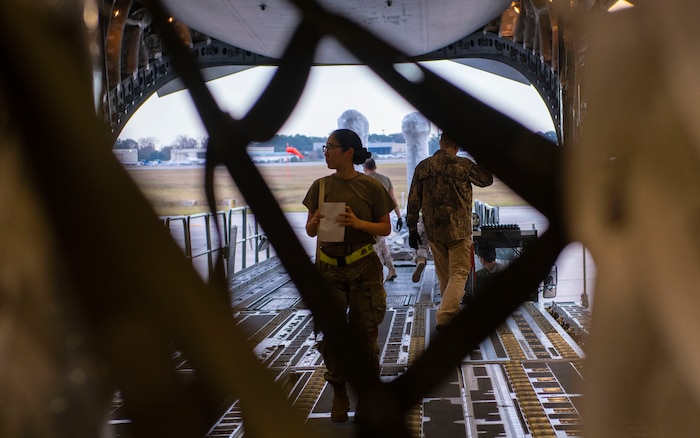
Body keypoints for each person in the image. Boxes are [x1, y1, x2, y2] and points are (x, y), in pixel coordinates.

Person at [303, 129, 394, 423]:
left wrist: (357, 223)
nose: (325, 152)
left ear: (349, 153)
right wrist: (315, 222)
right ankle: (339, 391)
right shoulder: (319, 187)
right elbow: (310, 231)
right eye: (325, 146)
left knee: (365, 334)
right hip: (328, 267)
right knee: (331, 334)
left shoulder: (370, 187)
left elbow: (385, 228)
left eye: (330, 147)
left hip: (363, 265)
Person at [406, 133, 493, 330]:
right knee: (459, 273)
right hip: (459, 229)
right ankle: (445, 317)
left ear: (440, 143)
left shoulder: (423, 166)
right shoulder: (462, 165)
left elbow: (413, 200)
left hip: (434, 232)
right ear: (457, 145)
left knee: (445, 275)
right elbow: (486, 179)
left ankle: (450, 313)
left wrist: (412, 228)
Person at [363, 157, 402, 281]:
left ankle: (378, 275)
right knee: (382, 244)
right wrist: (399, 216)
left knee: (375, 248)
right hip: (384, 216)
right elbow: (393, 199)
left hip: (370, 218)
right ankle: (391, 269)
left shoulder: (365, 180)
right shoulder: (386, 179)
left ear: (365, 168)